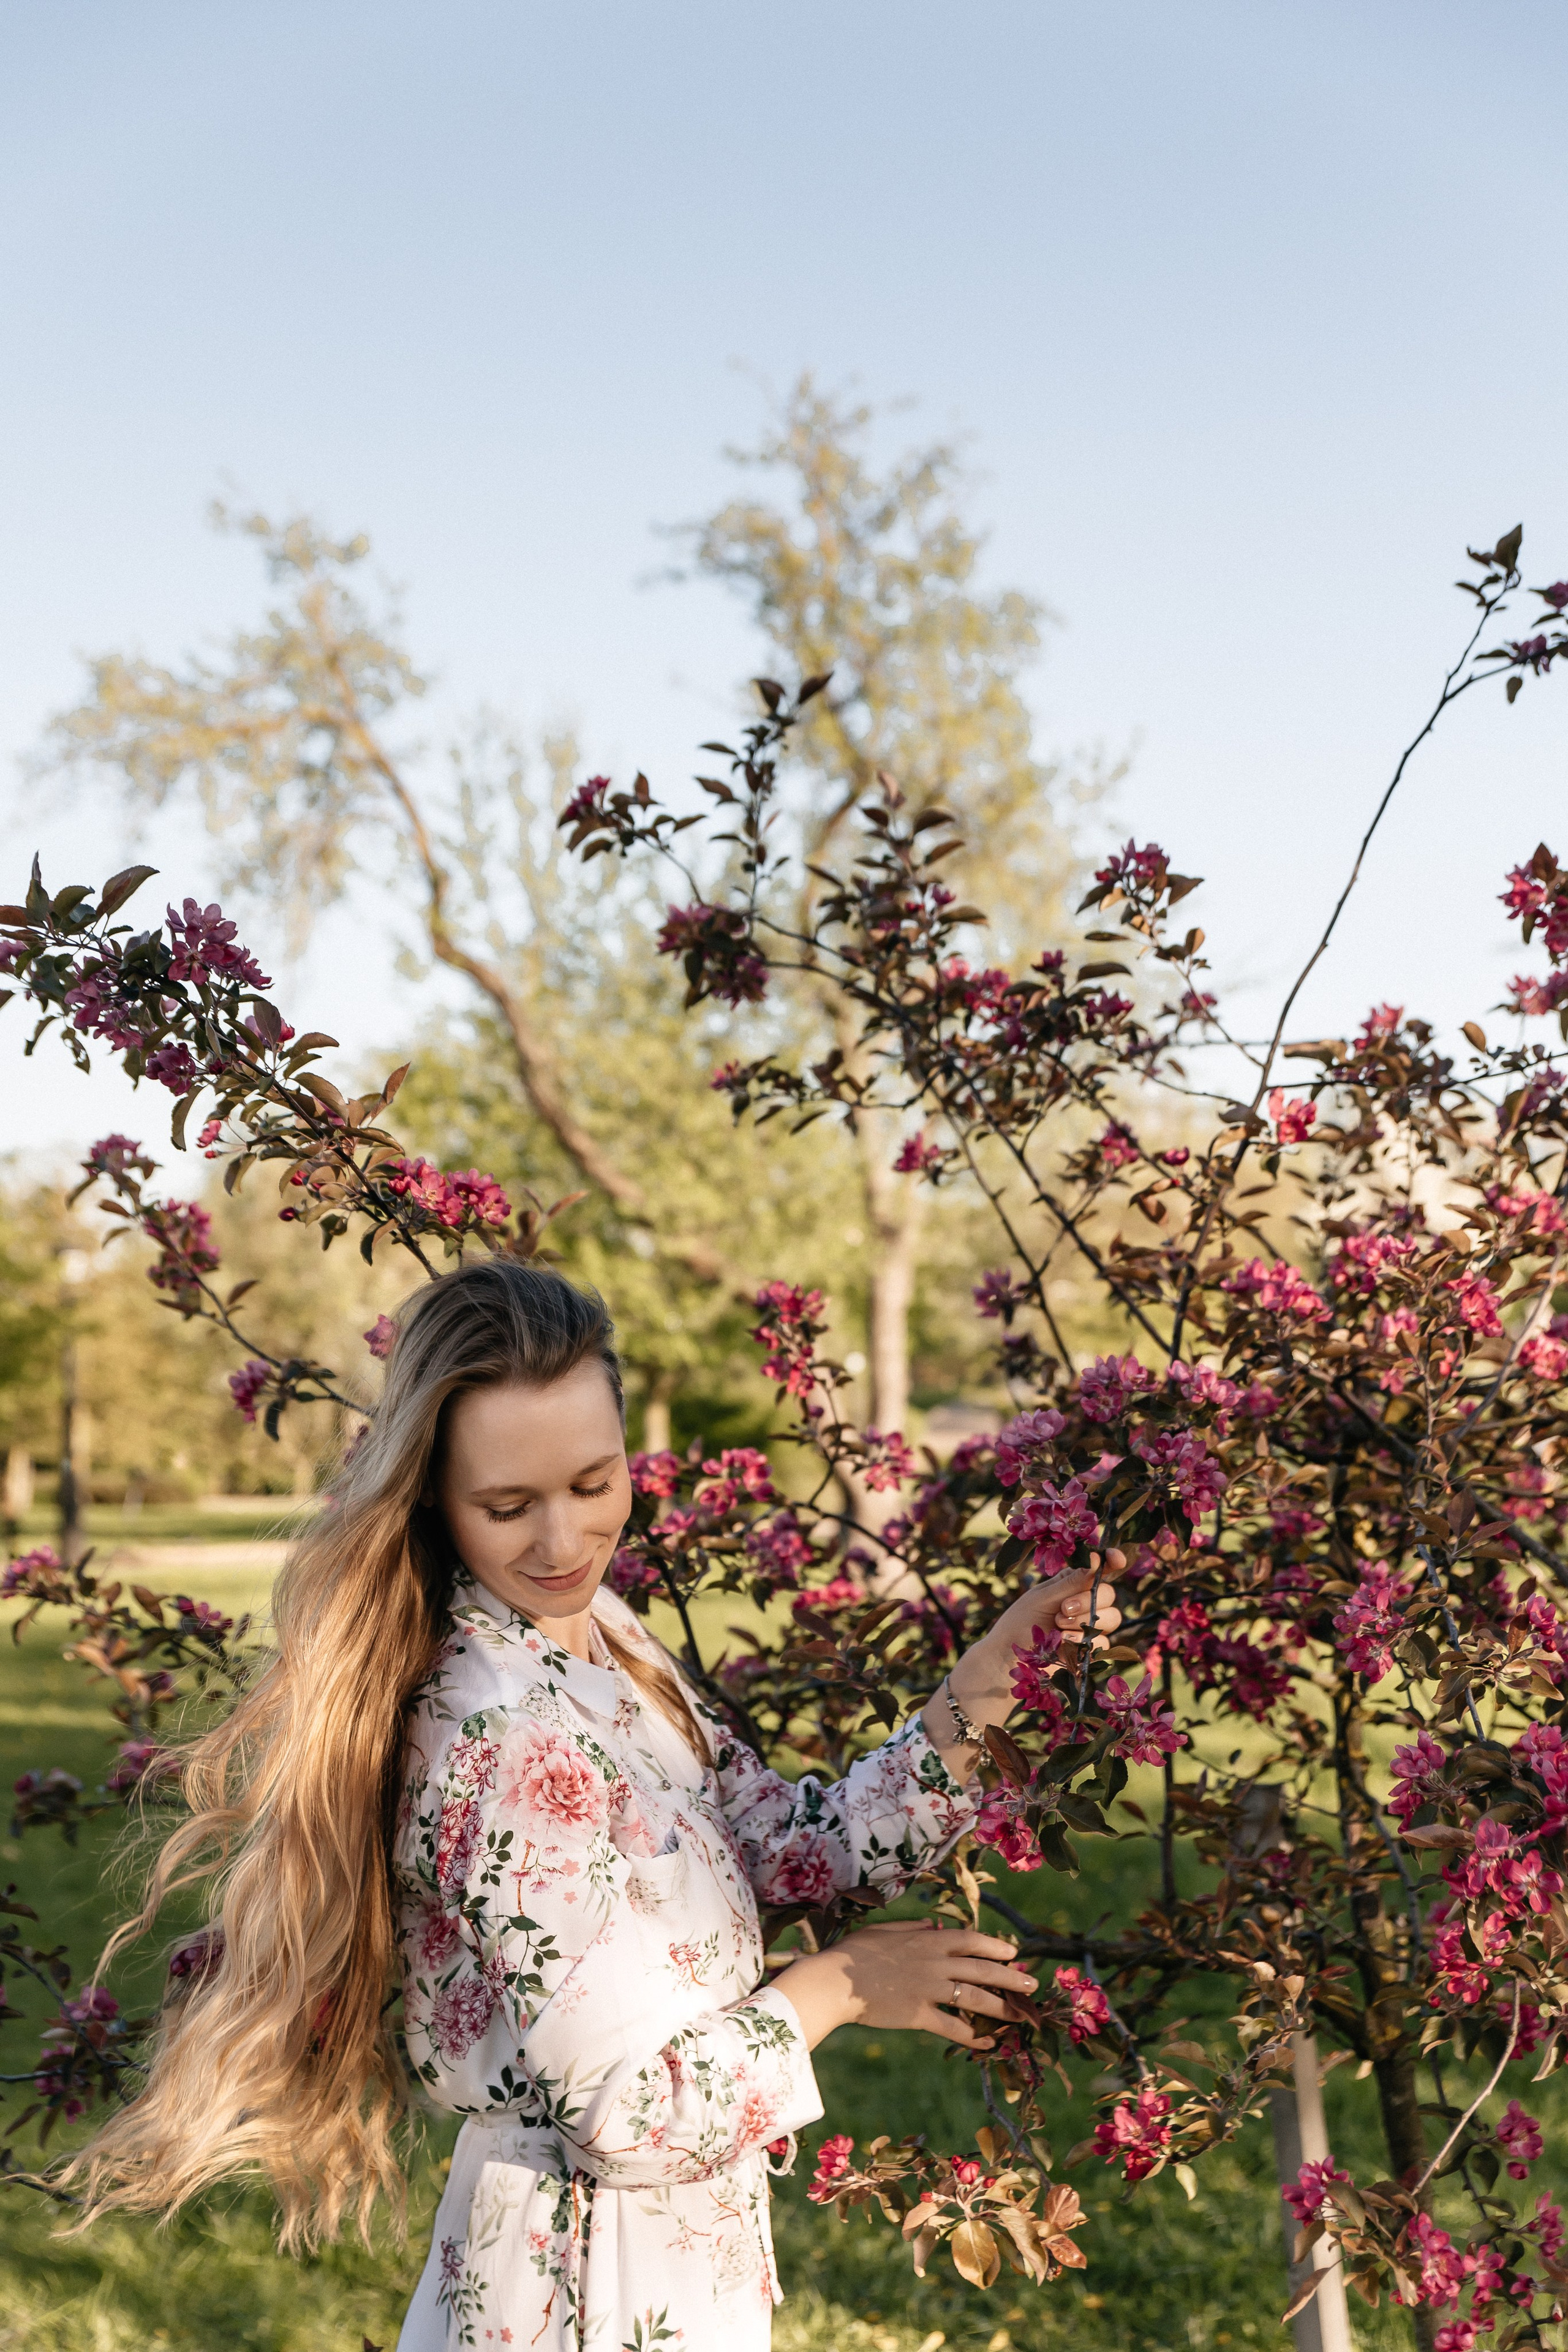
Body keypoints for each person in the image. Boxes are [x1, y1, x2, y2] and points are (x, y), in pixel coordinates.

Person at [70, 1261, 1118, 2352]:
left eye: (593, 1483)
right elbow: (630, 2114)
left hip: (660, 2264)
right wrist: (844, 1987)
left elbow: (791, 1852)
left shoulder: (601, 1636)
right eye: (508, 1506)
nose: (564, 1545)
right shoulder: (497, 1732)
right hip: (585, 2288)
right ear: (433, 1496)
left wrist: (987, 1686)